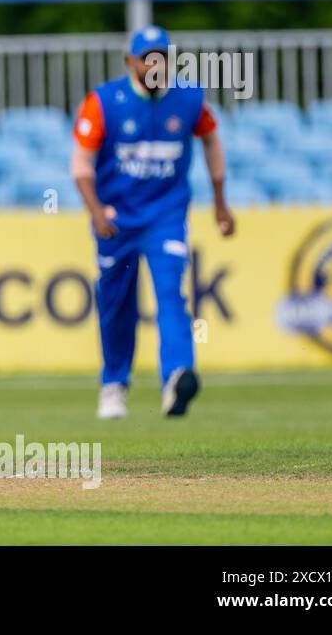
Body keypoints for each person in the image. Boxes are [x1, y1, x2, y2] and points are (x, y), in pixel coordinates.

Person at [69, 25, 235, 420]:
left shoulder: (190, 99)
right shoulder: (104, 101)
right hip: (116, 219)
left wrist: (220, 202)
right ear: (131, 61)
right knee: (116, 305)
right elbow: (81, 164)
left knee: (171, 294)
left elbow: (212, 140)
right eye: (147, 57)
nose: (155, 63)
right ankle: (114, 384)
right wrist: (95, 210)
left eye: (161, 56)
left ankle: (176, 376)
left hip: (166, 216)